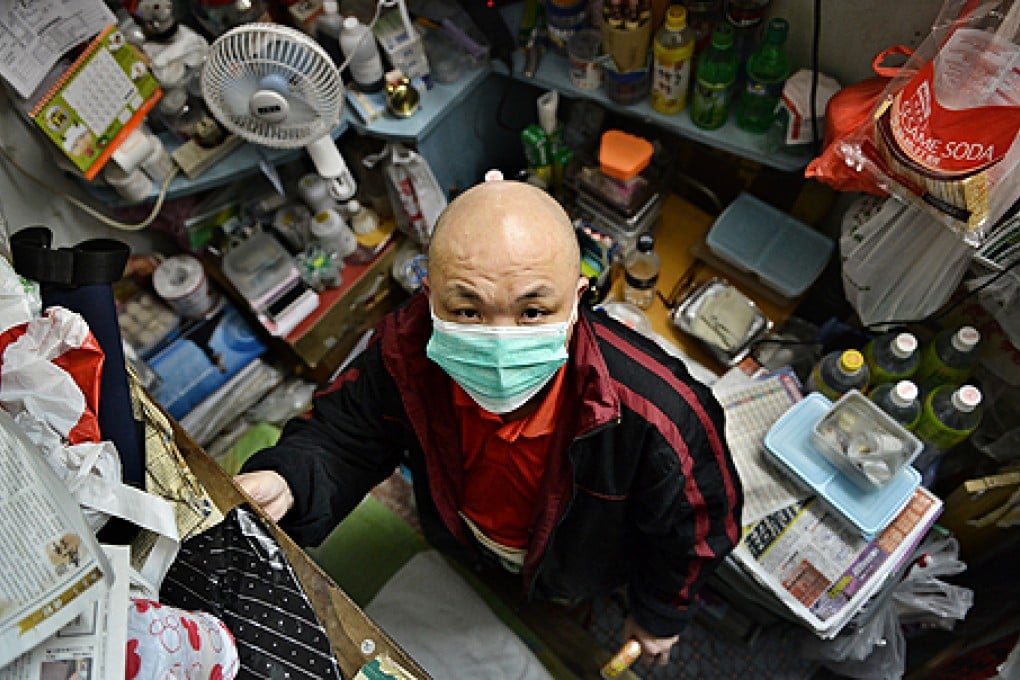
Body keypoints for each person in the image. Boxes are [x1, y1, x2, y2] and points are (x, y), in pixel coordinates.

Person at [236, 180, 742, 666]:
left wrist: (659, 614)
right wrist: (286, 479)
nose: (501, 342)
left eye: (533, 311)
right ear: (430, 296)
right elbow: (346, 434)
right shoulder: (405, 352)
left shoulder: (661, 414)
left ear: (578, 297)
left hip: (578, 563)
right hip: (462, 535)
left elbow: (697, 529)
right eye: (468, 310)